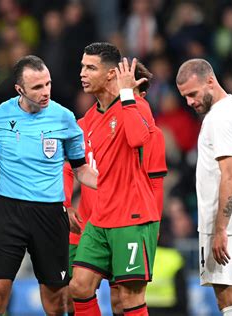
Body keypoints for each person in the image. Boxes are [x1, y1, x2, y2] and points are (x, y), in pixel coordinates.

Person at [0, 55, 98, 315]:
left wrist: (113, 186)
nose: (45, 92)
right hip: (9, 211)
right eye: (37, 87)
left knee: (56, 302)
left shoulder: (64, 118)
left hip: (50, 214)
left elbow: (81, 169)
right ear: (20, 89)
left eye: (48, 84)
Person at [63, 59, 167, 316]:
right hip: (93, 222)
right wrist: (65, 204)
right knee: (76, 288)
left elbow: (154, 181)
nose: (82, 74)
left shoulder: (141, 117)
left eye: (90, 68)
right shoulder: (88, 121)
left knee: (124, 298)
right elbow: (69, 166)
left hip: (130, 218)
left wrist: (154, 226)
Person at [176, 58, 232, 316]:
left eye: (193, 94)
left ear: (210, 81)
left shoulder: (218, 118)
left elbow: (229, 176)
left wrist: (220, 228)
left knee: (228, 298)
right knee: (228, 296)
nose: (189, 102)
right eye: (185, 97)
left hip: (224, 221)